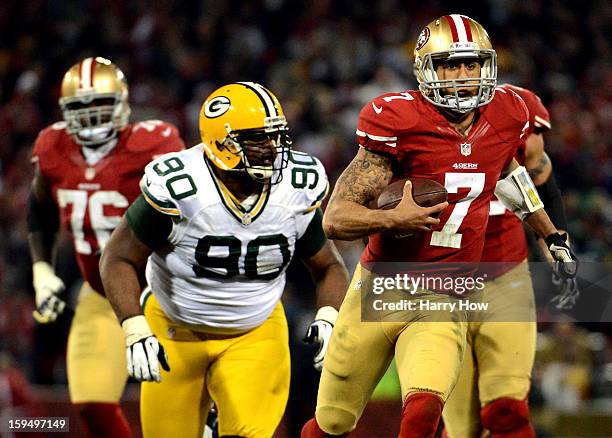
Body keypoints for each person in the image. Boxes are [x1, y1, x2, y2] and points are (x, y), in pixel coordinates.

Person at [300, 15, 578, 438]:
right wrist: (393, 218)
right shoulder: (397, 119)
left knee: (423, 414)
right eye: (450, 65)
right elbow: (336, 219)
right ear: (426, 69)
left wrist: (550, 234)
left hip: (447, 293)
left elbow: (507, 172)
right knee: (333, 421)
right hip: (381, 287)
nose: (463, 76)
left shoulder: (507, 111)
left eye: (472, 64)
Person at [99, 82, 349, 438]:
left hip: (256, 329)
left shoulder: (296, 184)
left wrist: (328, 317)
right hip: (175, 329)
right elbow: (118, 258)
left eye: (275, 136)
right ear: (223, 142)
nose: (273, 149)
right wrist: (134, 327)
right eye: (259, 139)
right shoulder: (182, 188)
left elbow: (328, 266)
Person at [28, 57, 185, 438]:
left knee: (179, 416)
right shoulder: (52, 145)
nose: (91, 119)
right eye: (80, 109)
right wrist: (42, 271)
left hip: (168, 296)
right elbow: (41, 207)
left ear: (123, 105)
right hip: (100, 295)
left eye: (99, 107)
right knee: (92, 405)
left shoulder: (154, 142)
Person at [442, 83, 571, 437]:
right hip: (444, 284)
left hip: (505, 274)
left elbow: (542, 174)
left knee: (506, 411)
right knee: (461, 428)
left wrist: (557, 237)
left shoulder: (518, 106)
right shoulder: (418, 121)